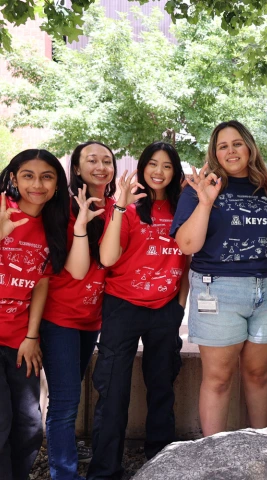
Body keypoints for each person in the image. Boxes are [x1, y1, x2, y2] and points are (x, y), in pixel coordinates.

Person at [171, 120, 267, 436]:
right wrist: (206, 201)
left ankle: (259, 446)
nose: (231, 150)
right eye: (223, 145)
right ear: (214, 152)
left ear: (249, 146)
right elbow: (187, 245)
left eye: (237, 143)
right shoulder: (199, 186)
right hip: (218, 289)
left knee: (258, 373)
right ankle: (214, 453)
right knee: (219, 376)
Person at [87, 142, 188, 480]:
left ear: (175, 172)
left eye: (167, 166)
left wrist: (180, 304)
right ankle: (104, 470)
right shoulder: (127, 208)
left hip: (164, 309)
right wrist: (119, 208)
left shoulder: (182, 206)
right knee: (113, 391)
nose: (159, 172)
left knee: (162, 387)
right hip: (122, 306)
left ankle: (161, 464)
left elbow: (189, 256)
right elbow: (108, 258)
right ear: (142, 168)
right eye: (152, 165)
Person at [40, 141, 117, 479]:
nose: (100, 166)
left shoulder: (117, 207)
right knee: (65, 402)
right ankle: (63, 473)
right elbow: (77, 271)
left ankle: (65, 458)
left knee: (70, 397)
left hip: (92, 318)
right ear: (75, 169)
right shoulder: (61, 208)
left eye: (107, 160)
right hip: (59, 318)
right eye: (91, 160)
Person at [0, 149, 70, 479]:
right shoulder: (2, 211)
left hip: (18, 340)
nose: (37, 184)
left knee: (29, 425)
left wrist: (31, 336)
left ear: (57, 184)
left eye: (47, 176)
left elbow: (41, 282)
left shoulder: (52, 226)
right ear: (14, 178)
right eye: (28, 175)